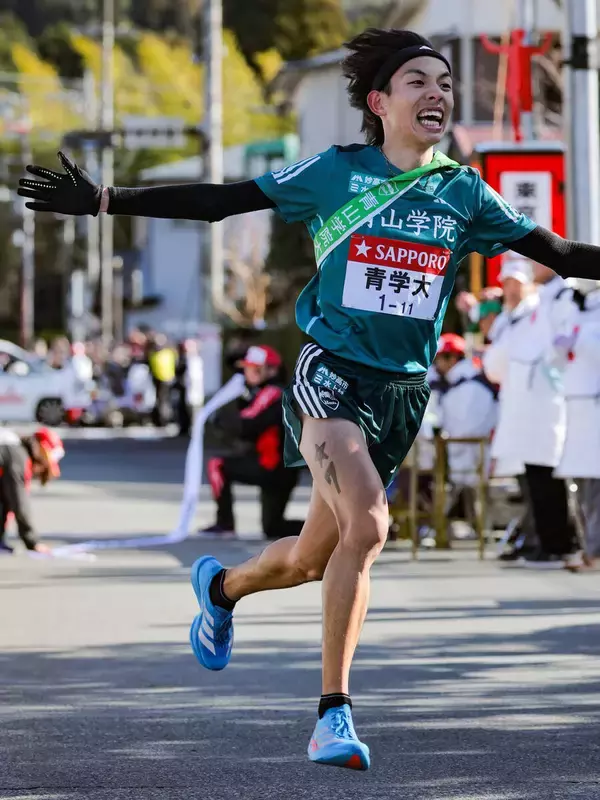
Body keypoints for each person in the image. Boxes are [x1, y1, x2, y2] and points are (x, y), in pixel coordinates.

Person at [18, 27, 600, 771]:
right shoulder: (336, 172)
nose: (439, 93)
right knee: (371, 525)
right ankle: (333, 712)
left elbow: (560, 254)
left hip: (401, 392)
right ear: (380, 101)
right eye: (419, 80)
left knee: (312, 558)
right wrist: (105, 198)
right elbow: (223, 202)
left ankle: (222, 588)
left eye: (447, 83)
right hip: (329, 375)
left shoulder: (463, 192)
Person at [484, 260, 579, 567]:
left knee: (547, 478)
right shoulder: (508, 319)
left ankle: (556, 543)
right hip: (519, 408)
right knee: (531, 480)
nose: (511, 290)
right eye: (506, 284)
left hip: (542, 405)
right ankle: (538, 539)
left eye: (516, 283)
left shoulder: (541, 308)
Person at [199, 344, 303, 541]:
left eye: (255, 369)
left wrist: (222, 419)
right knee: (272, 527)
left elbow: (247, 427)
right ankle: (330, 531)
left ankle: (225, 523)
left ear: (272, 370)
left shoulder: (273, 393)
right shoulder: (263, 392)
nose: (247, 373)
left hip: (273, 468)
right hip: (278, 469)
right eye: (246, 368)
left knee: (217, 465)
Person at [553, 283, 600, 570]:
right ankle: (589, 548)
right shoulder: (575, 315)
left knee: (596, 490)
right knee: (581, 490)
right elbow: (557, 360)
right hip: (576, 408)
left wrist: (580, 339)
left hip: (595, 408)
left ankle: (595, 553)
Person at [433, 333, 497, 537]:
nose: (437, 365)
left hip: (473, 454)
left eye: (441, 359)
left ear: (453, 359)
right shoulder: (457, 382)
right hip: (460, 454)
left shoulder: (470, 385)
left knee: (473, 493)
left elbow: (470, 427)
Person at [0, 427, 64, 555]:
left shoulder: (11, 445)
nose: (40, 470)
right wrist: (32, 541)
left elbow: (5, 499)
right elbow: (19, 501)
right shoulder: (17, 455)